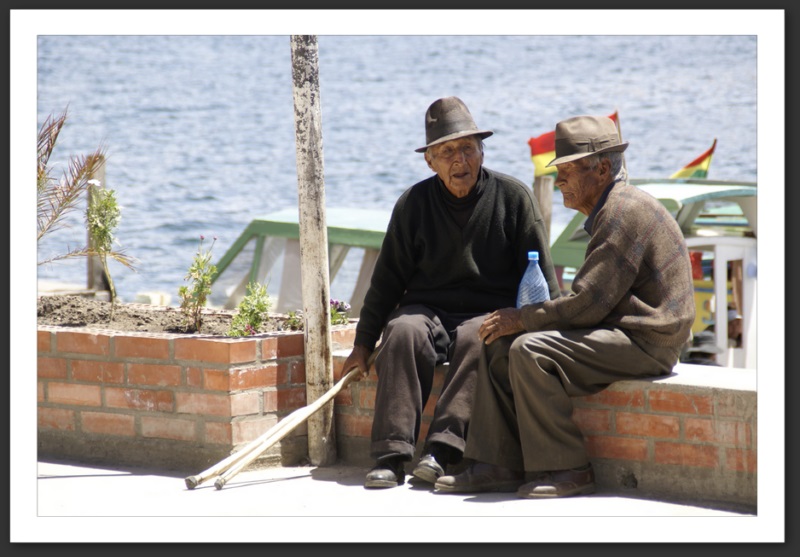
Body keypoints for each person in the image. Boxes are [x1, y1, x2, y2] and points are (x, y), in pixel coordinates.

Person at [434, 114, 696, 498]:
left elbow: (587, 305)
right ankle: (497, 463)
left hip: (649, 342)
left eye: (567, 172)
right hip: (623, 331)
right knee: (499, 345)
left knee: (530, 349)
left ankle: (569, 468)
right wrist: (518, 323)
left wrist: (523, 318)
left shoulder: (622, 212)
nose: (559, 182)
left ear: (602, 170)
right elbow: (589, 304)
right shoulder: (613, 208)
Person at [341, 96, 560, 489]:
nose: (460, 160)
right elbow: (386, 282)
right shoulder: (413, 205)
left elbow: (544, 279)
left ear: (482, 152)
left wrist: (548, 330)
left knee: (479, 335)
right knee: (402, 330)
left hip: (488, 313)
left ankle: (441, 452)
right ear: (430, 162)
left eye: (468, 149)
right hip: (428, 312)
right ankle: (391, 455)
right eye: (447, 152)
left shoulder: (514, 198)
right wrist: (362, 344)